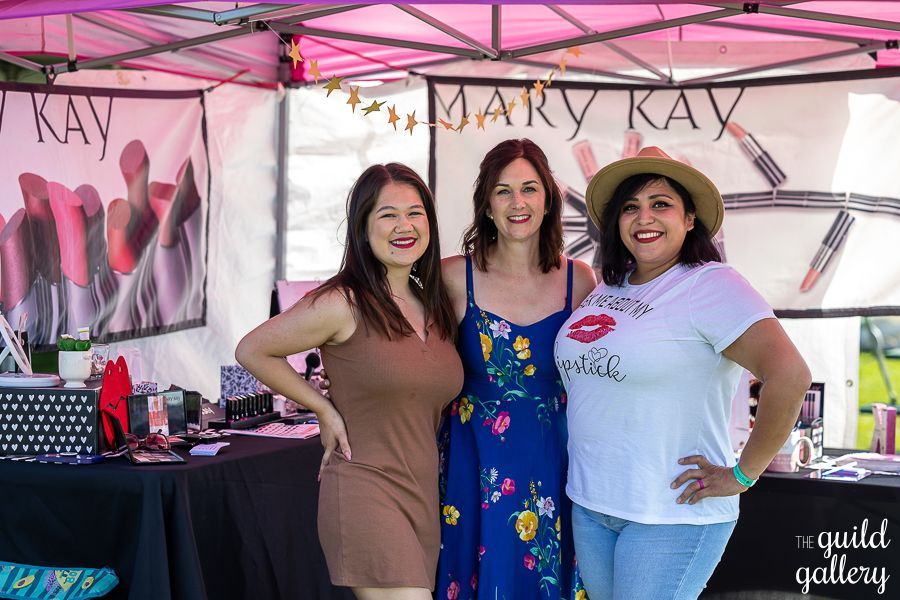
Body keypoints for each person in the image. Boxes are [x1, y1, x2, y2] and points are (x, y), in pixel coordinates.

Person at [554, 146, 811, 599]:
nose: (643, 217)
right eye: (630, 207)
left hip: (670, 515)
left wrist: (743, 474)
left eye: (660, 204)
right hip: (594, 504)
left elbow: (790, 375)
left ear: (689, 218)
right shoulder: (610, 284)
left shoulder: (710, 284)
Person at [235, 163, 463, 600]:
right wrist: (322, 407)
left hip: (424, 495)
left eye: (415, 213)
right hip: (366, 488)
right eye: (387, 214)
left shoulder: (432, 303)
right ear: (362, 226)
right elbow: (253, 349)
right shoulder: (344, 302)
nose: (404, 226)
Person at [437, 139, 597, 600]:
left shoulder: (580, 280)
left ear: (548, 199)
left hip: (555, 458)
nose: (517, 202)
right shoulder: (452, 277)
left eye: (529, 188)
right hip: (475, 459)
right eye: (503, 191)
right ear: (486, 204)